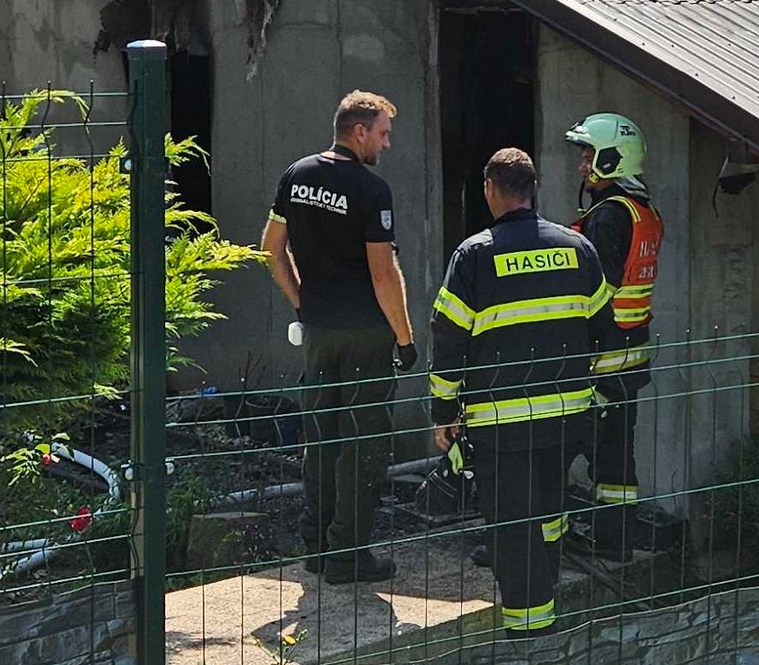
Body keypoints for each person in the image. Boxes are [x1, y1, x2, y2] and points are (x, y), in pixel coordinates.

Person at [427, 148, 614, 635]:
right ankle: (547, 591)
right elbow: (605, 329)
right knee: (551, 510)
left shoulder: (474, 255)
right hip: (569, 414)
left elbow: (448, 342)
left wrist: (443, 411)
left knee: (512, 527)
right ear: (533, 189)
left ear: (491, 189)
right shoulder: (577, 247)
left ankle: (530, 633)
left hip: (501, 422)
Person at [263, 91, 416, 584]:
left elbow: (270, 249)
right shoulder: (371, 190)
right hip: (365, 336)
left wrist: (302, 302)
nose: (386, 144)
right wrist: (405, 337)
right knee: (364, 443)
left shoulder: (297, 175)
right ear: (359, 132)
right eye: (383, 133)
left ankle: (316, 547)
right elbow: (382, 274)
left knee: (321, 437)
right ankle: (348, 555)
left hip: (319, 331)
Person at [564, 113, 664, 555]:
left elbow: (597, 290)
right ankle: (616, 537)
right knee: (616, 458)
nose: (582, 166)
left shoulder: (608, 218)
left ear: (612, 159)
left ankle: (540, 534)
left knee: (561, 444)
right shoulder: (644, 212)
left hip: (600, 360)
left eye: (589, 156)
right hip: (631, 356)